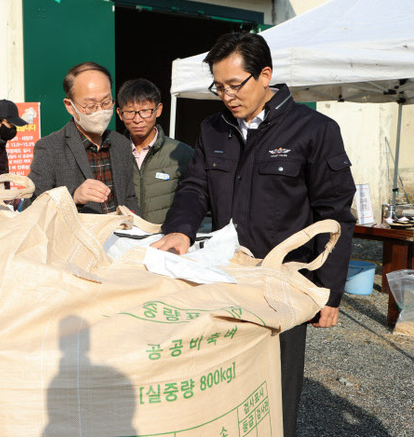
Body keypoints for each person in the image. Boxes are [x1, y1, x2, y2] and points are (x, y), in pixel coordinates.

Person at [151, 32, 356, 436]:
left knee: (277, 386)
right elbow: (195, 188)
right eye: (218, 87)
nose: (227, 96)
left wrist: (329, 293)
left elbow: (334, 214)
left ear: (265, 75)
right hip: (228, 276)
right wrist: (179, 230)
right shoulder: (213, 130)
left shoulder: (314, 130)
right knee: (228, 379)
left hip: (283, 283)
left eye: (235, 84)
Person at [28, 62, 140, 214]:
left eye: (106, 102)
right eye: (90, 105)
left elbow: (129, 197)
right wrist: (73, 197)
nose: (100, 111)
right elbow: (32, 206)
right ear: (69, 106)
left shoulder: (121, 144)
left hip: (120, 234)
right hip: (76, 236)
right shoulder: (49, 148)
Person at [116, 78, 194, 224]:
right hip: (123, 240)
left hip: (165, 239)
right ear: (120, 114)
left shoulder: (182, 154)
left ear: (158, 110)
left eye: (145, 111)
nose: (138, 119)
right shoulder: (113, 153)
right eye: (130, 112)